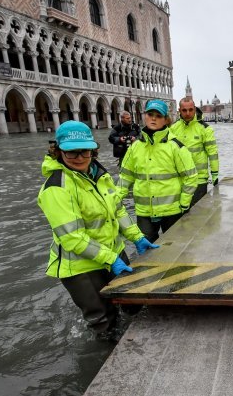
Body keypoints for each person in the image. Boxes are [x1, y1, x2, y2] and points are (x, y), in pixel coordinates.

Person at [37, 121, 158, 339]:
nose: (79, 157)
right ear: (58, 151)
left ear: (93, 150)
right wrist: (110, 258)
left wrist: (136, 236)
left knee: (133, 300)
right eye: (71, 152)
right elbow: (72, 238)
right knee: (103, 320)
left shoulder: (99, 175)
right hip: (81, 268)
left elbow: (118, 210)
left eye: (84, 151)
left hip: (112, 253)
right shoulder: (56, 187)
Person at [118, 99, 198, 242]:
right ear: (144, 116)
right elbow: (125, 177)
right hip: (144, 212)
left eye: (158, 115)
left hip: (172, 210)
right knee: (146, 251)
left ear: (166, 120)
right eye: (150, 114)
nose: (153, 118)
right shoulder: (135, 147)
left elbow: (191, 177)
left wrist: (184, 203)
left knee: (176, 247)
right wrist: (115, 201)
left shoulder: (175, 146)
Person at [169, 97, 220, 207]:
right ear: (179, 111)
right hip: (180, 180)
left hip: (199, 180)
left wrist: (215, 174)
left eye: (191, 110)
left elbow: (213, 153)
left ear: (194, 109)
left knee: (199, 214)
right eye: (184, 110)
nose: (188, 113)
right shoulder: (173, 129)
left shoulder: (205, 129)